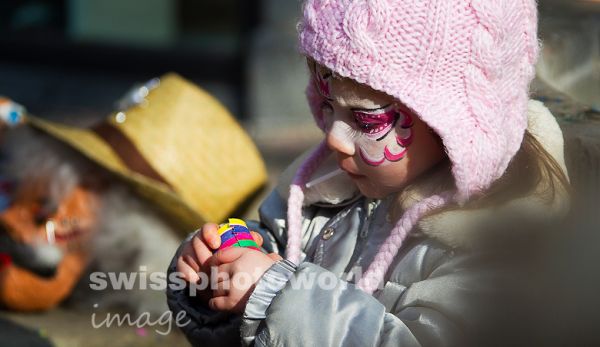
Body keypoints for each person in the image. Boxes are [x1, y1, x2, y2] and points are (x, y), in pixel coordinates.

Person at [167, 1, 570, 345]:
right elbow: (276, 251)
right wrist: (226, 269)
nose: (335, 138)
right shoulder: (320, 191)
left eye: (364, 118)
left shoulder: (501, 244)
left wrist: (275, 294)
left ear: (455, 122)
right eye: (328, 105)